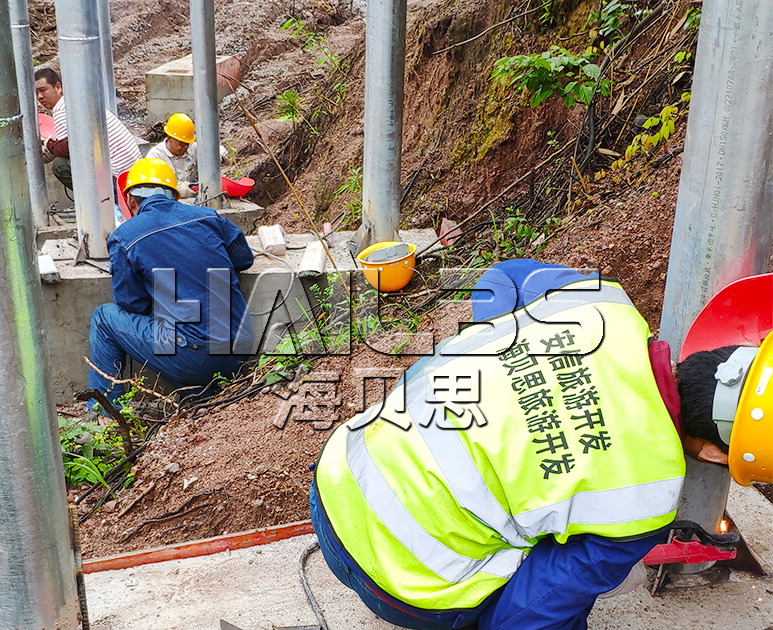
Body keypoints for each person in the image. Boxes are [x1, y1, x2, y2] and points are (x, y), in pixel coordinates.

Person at [310, 258, 751, 630]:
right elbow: (529, 613)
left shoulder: (600, 303)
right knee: (564, 567)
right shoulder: (645, 499)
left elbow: (500, 279)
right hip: (399, 588)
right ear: (715, 453)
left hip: (334, 477)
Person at [88, 157, 254, 404]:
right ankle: (200, 392)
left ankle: (105, 411)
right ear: (175, 197)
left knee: (104, 318)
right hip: (241, 346)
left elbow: (131, 304)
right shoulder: (209, 216)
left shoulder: (125, 237)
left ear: (130, 200)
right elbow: (244, 259)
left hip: (193, 357)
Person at [34, 67, 142, 191]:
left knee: (60, 165)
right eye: (36, 93)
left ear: (58, 87)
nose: (40, 97)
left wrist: (50, 144)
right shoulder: (78, 100)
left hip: (116, 175)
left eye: (43, 90)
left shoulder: (61, 109)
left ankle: (96, 203)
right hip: (133, 169)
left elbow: (68, 149)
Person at [146, 112, 229, 199]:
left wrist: (215, 159)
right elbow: (154, 186)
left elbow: (219, 150)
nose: (185, 147)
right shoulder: (155, 157)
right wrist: (182, 189)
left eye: (187, 143)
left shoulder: (192, 149)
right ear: (169, 138)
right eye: (181, 143)